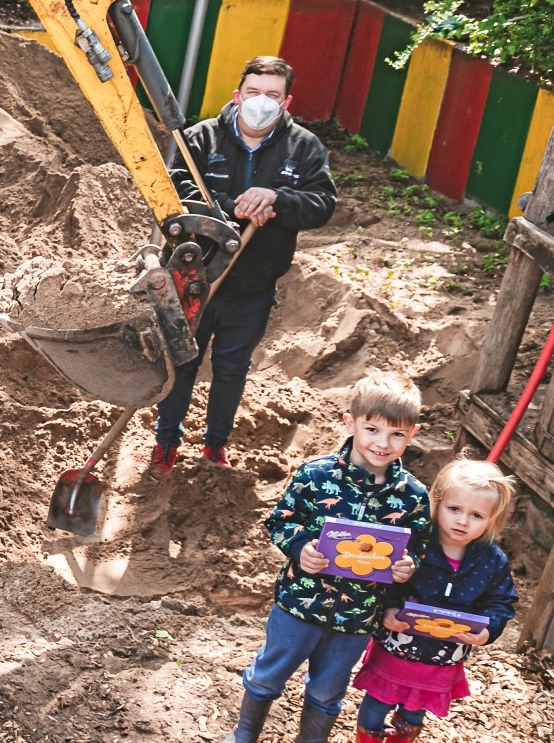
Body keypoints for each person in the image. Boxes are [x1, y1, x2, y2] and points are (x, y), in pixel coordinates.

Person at [223, 374, 432, 743]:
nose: (383, 444)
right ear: (350, 423)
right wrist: (300, 547)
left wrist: (409, 564)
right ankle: (244, 734)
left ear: (412, 434)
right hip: (298, 604)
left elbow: (420, 544)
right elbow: (280, 521)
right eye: (372, 429)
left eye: (397, 434)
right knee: (268, 675)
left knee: (327, 689)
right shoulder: (316, 474)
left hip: (357, 616)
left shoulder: (413, 495)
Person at [153, 55, 338, 471]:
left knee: (232, 369)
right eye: (253, 92)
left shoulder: (304, 148)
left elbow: (323, 204)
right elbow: (172, 192)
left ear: (286, 102)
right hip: (194, 277)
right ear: (238, 95)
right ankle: (167, 441)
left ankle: (215, 444)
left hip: (253, 285)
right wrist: (229, 208)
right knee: (181, 362)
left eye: (272, 95)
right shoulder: (200, 139)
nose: (261, 102)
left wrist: (278, 199)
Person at [351, 458, 518, 742]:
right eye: (454, 509)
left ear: (493, 519)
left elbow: (501, 602)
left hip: (442, 659)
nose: (463, 521)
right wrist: (388, 609)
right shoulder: (418, 545)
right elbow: (388, 581)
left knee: (415, 713)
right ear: (436, 504)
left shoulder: (492, 560)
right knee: (376, 703)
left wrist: (488, 630)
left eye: (477, 515)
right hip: (395, 650)